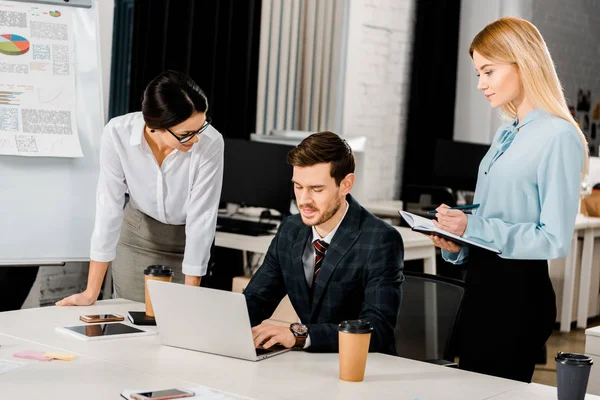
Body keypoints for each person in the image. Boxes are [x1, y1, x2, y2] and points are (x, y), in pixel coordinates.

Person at [429, 17, 588, 382]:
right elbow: (492, 217)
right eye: (477, 74)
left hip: (517, 296)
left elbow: (553, 238)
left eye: (489, 71)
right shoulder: (506, 131)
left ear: (523, 61)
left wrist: (475, 226)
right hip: (481, 287)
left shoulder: (558, 135)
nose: (481, 84)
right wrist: (458, 240)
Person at [57, 70, 224, 305]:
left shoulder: (210, 143)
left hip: (186, 245)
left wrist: (190, 299)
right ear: (155, 126)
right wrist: (90, 293)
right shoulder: (117, 134)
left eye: (201, 128)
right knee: (128, 322)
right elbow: (109, 208)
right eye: (187, 134)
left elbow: (202, 219)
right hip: (136, 238)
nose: (196, 139)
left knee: (177, 322)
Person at [243, 132, 404, 355]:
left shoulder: (380, 239)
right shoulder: (291, 230)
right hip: (308, 366)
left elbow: (377, 329)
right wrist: (224, 327)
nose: (304, 200)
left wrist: (300, 335)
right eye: (298, 187)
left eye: (316, 189)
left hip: (362, 368)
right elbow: (256, 299)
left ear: (346, 184)